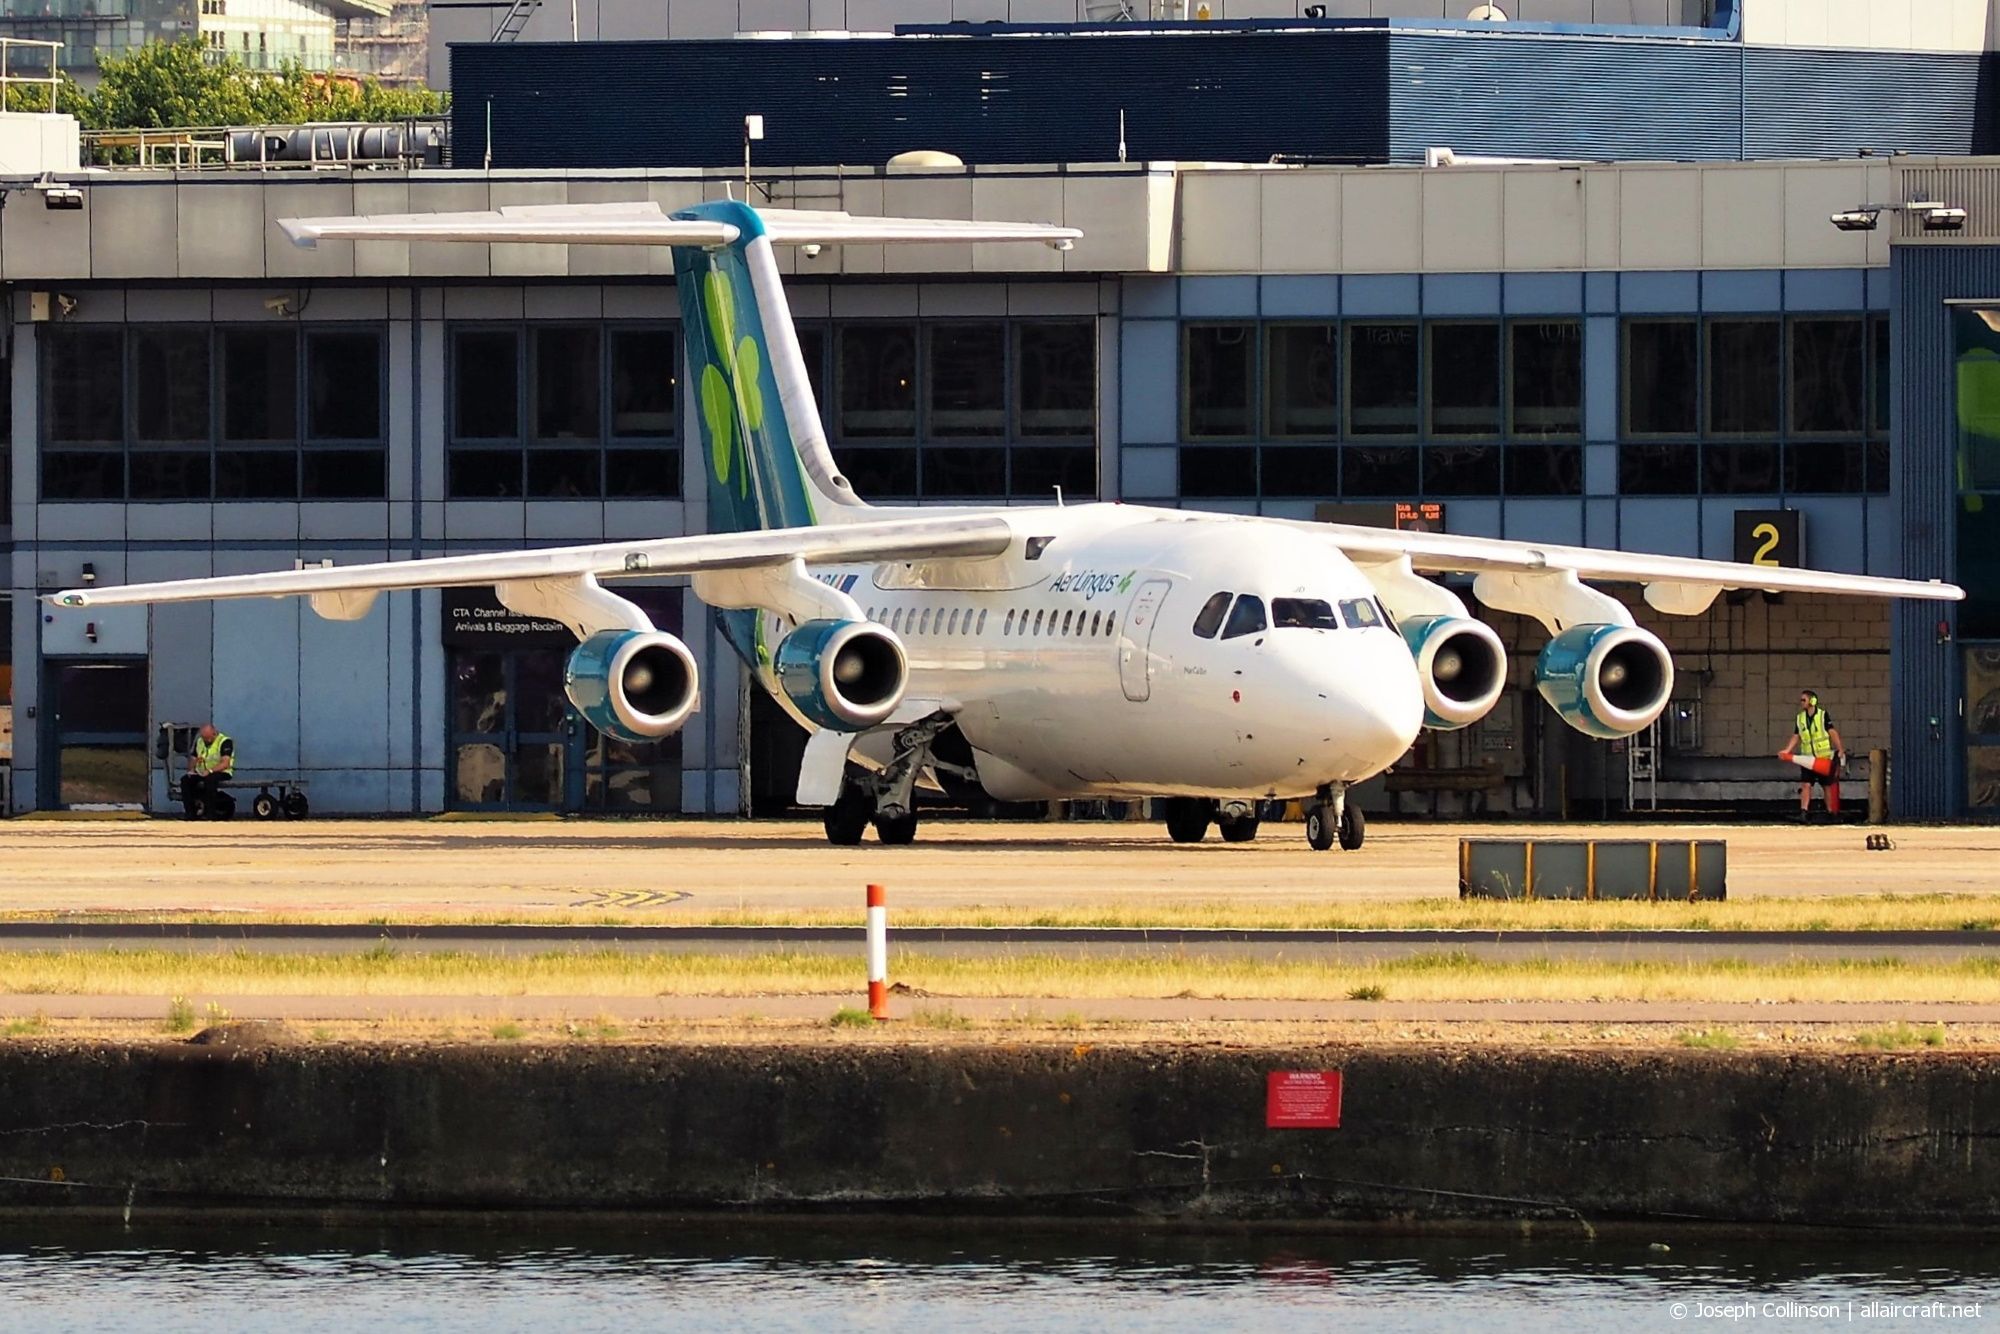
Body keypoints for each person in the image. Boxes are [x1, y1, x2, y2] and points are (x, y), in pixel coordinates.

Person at [1781, 690, 1846, 822]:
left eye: (1804, 700)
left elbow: (1832, 732)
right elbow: (1796, 735)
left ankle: (1831, 813)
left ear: (1812, 701)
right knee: (1806, 784)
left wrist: (1840, 749)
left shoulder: (1822, 715)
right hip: (1807, 759)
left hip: (1823, 758)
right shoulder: (1800, 718)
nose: (1801, 703)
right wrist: (1787, 750)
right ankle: (1804, 812)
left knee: (1826, 785)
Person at [180, 722, 236, 819]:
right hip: (201, 772)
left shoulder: (224, 741)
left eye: (208, 738)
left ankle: (211, 813)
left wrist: (210, 771)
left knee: (210, 780)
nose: (206, 741)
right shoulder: (200, 741)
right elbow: (193, 759)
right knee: (185, 780)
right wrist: (192, 769)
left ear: (214, 733)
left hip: (221, 771)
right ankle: (190, 813)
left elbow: (225, 763)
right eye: (204, 738)